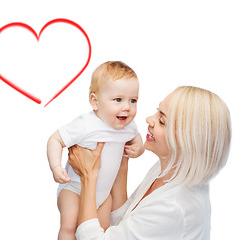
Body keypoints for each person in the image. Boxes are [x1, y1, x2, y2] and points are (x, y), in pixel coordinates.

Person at [68, 86, 231, 240]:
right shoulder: (169, 168)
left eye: (162, 121)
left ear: (187, 141)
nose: (149, 120)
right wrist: (121, 161)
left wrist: (88, 175)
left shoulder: (174, 207)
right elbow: (124, 222)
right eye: (157, 111)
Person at [47, 61, 145, 240]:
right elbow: (55, 139)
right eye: (118, 99)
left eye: (133, 100)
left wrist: (139, 150)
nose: (127, 107)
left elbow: (137, 139)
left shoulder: (128, 126)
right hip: (74, 189)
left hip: (103, 195)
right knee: (69, 227)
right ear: (95, 102)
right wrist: (55, 167)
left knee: (102, 231)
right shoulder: (86, 124)